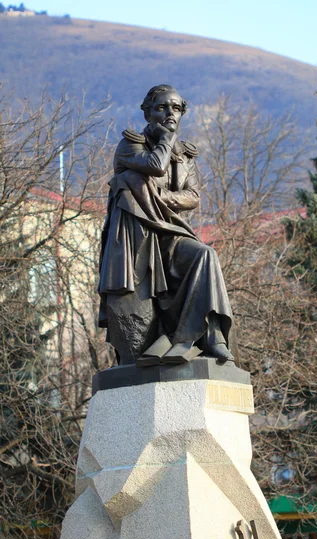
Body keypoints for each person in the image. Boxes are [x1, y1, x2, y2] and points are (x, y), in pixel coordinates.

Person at [98, 84, 235, 365]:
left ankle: (210, 336)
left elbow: (193, 196)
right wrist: (165, 138)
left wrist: (159, 198)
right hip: (136, 238)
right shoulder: (130, 145)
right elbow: (156, 165)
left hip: (170, 232)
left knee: (205, 255)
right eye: (161, 107)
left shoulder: (186, 155)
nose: (170, 113)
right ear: (148, 113)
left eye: (176, 108)